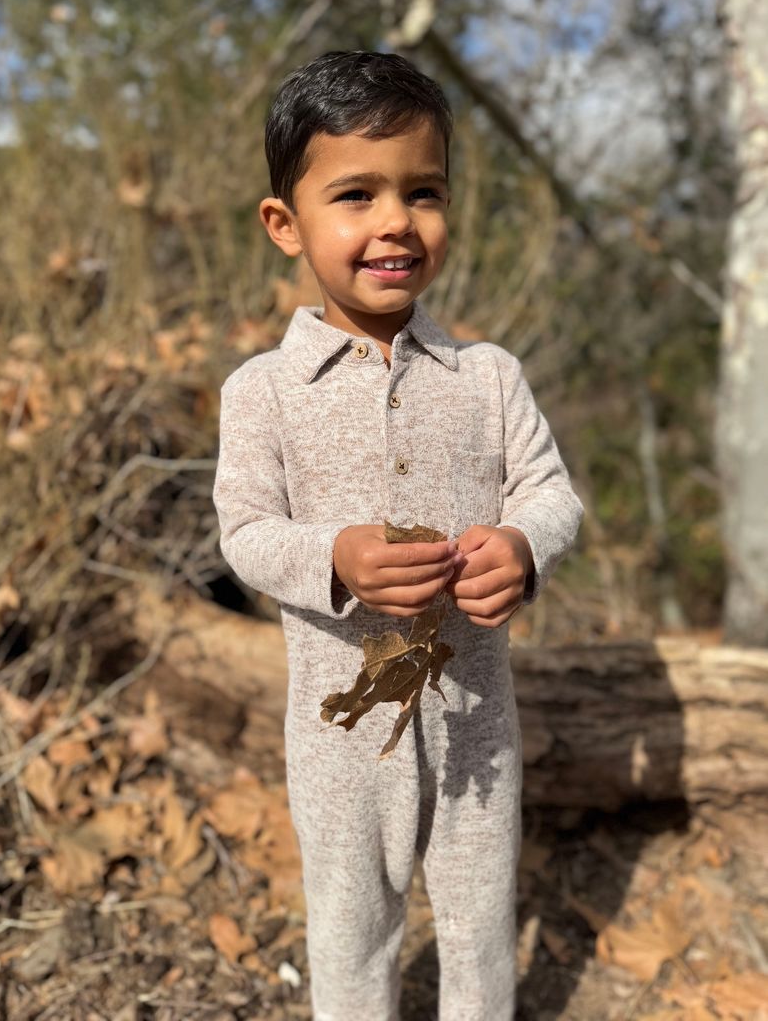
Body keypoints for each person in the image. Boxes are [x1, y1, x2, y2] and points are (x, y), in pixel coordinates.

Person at [212, 50, 583, 1021]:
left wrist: (523, 546)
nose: (396, 222)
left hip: (478, 727)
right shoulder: (263, 392)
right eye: (356, 194)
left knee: (478, 921)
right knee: (351, 925)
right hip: (337, 737)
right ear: (285, 224)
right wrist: (333, 557)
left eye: (423, 191)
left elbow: (550, 492)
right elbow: (245, 532)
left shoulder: (488, 376)